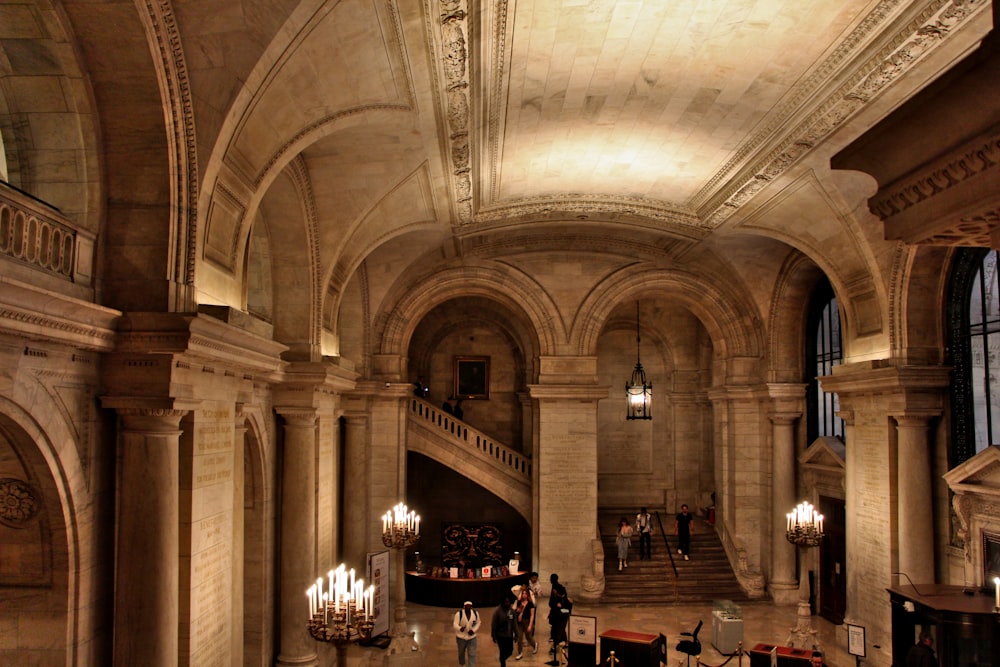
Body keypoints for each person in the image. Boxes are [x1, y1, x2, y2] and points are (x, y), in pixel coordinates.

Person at [547, 573, 571, 653]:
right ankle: (566, 642)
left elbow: (563, 599)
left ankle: (554, 646)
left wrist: (558, 601)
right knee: (559, 628)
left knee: (558, 629)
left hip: (561, 613)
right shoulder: (554, 587)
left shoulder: (559, 588)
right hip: (556, 612)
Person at [491, 594, 517, 667]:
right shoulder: (497, 611)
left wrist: (516, 634)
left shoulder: (511, 611)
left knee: (510, 651)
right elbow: (494, 624)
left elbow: (515, 623)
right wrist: (493, 635)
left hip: (509, 635)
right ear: (502, 602)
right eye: (506, 602)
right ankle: (503, 663)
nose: (507, 603)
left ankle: (502, 659)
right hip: (501, 636)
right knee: (502, 651)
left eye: (508, 602)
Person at [453, 600, 481, 667]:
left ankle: (471, 665)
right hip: (461, 637)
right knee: (461, 653)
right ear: (464, 607)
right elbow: (455, 624)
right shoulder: (459, 614)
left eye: (469, 607)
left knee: (472, 653)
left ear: (471, 607)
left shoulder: (475, 614)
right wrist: (460, 628)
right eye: (466, 607)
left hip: (472, 637)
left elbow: (478, 623)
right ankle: (462, 664)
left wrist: (473, 630)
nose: (468, 608)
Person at [513, 585, 537, 659]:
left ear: (528, 595)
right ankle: (520, 653)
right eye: (523, 593)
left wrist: (530, 625)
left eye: (525, 594)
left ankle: (534, 645)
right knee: (519, 637)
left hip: (527, 621)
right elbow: (516, 611)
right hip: (520, 622)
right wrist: (518, 610)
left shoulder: (530, 604)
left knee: (528, 637)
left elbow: (532, 615)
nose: (524, 595)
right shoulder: (519, 602)